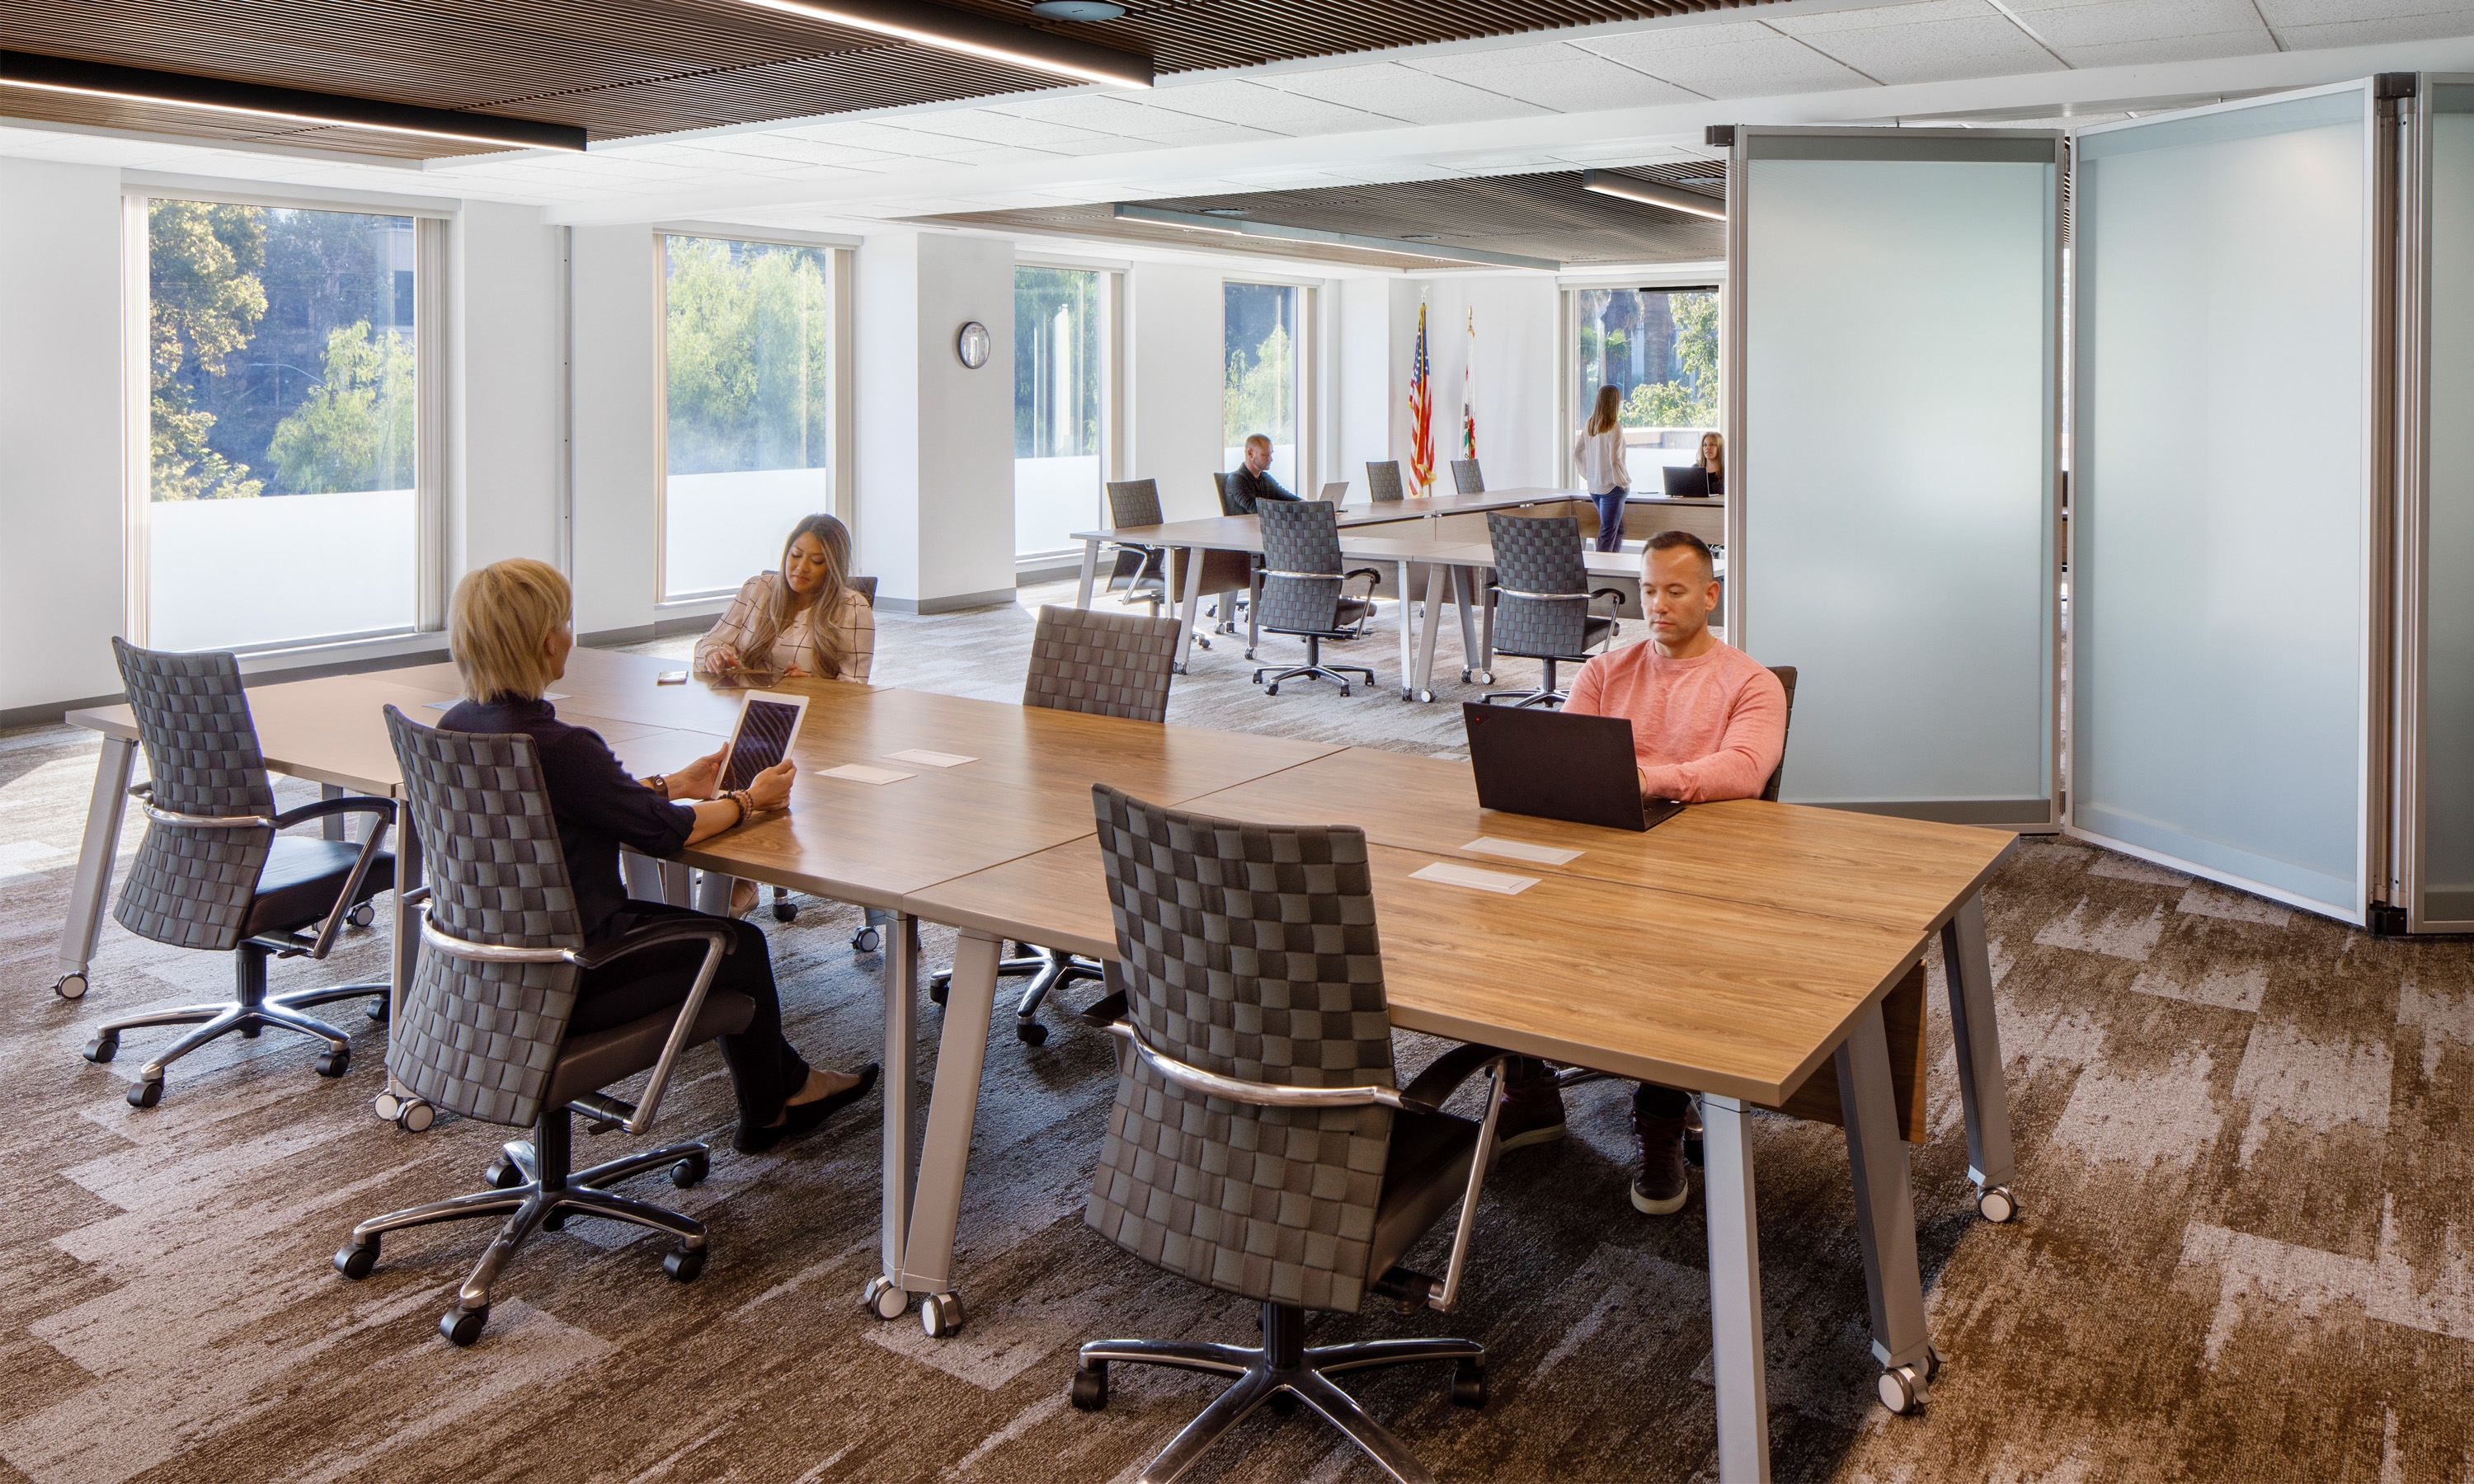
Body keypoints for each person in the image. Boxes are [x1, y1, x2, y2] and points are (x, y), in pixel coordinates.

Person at [440, 558, 879, 1156]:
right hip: (574, 970)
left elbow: (568, 807)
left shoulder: (457, 727)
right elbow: (664, 836)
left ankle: (791, 1087)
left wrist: (674, 783)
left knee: (717, 936)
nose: (571, 632)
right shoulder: (564, 748)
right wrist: (749, 800)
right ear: (546, 641)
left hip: (486, 962)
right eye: (565, 621)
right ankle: (772, 1106)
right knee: (736, 944)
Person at [1493, 530, 1787, 1215]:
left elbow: (1744, 770)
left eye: (1675, 591)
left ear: (1710, 596)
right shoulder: (1605, 672)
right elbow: (1564, 757)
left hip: (1696, 867)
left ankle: (1661, 1117)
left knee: (1675, 953)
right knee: (1495, 915)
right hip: (1600, 847)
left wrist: (1649, 779)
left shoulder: (1751, 683)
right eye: (1649, 590)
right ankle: (1530, 1090)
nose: (1657, 605)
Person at [697, 514, 873, 683]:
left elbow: (854, 687)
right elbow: (709, 641)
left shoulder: (853, 608)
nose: (802, 567)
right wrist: (714, 654)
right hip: (748, 703)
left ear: (835, 567)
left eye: (817, 561)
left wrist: (815, 686)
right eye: (796, 555)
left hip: (811, 709)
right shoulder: (757, 589)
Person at [1574, 386, 1630, 553]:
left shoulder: (1590, 425)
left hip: (1595, 488)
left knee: (1617, 530)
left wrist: (1588, 475)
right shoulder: (1615, 427)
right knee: (1607, 532)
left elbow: (1577, 453)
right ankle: (1600, 573)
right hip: (1612, 488)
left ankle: (1612, 568)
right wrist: (1623, 481)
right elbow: (1615, 459)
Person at [1223, 433, 1302, 515]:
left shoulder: (1265, 478)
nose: (1271, 459)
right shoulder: (1236, 480)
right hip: (1245, 527)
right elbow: (1255, 508)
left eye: (1271, 454)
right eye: (1265, 455)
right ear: (1251, 453)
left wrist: (1306, 504)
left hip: (1262, 527)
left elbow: (1286, 497)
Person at [1698, 430, 1725, 495]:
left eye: (1712, 445)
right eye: (1705, 445)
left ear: (1720, 447)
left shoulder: (1727, 470)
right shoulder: (1696, 469)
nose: (1708, 448)